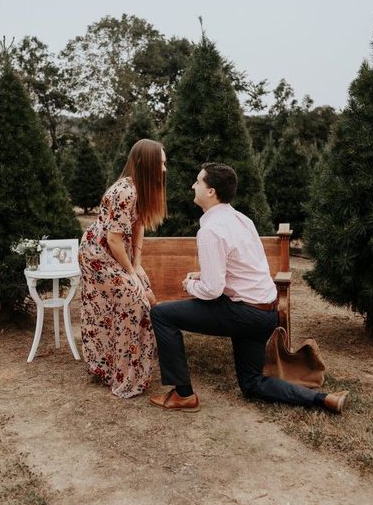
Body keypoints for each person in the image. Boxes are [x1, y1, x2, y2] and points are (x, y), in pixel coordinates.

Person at [149, 162, 349, 414]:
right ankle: (323, 399)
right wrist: (204, 274)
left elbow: (212, 290)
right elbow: (245, 266)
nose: (193, 185)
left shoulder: (211, 229)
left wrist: (190, 284)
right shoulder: (241, 219)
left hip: (242, 313)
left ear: (211, 191)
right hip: (265, 312)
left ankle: (183, 394)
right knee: (252, 384)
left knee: (162, 314)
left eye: (198, 181)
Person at [79, 138, 167, 398]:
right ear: (145, 163)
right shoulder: (124, 191)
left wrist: (138, 265)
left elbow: (139, 225)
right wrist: (130, 273)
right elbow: (113, 239)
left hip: (118, 252)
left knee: (142, 295)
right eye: (160, 163)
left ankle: (127, 368)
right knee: (133, 301)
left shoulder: (142, 189)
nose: (164, 169)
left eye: (165, 163)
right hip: (98, 255)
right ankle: (115, 371)